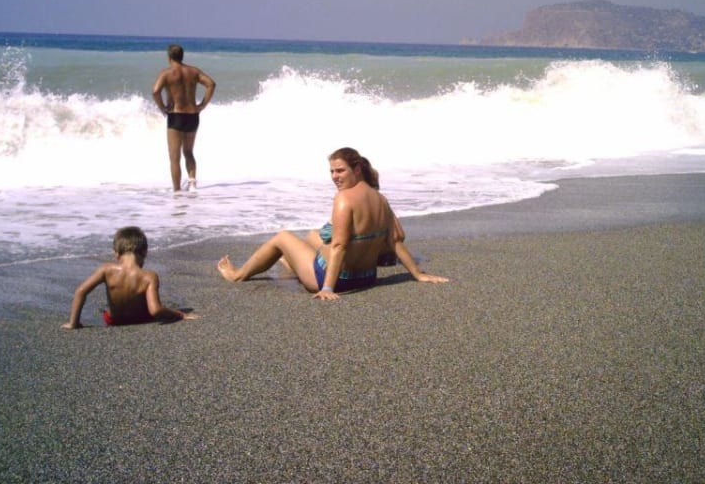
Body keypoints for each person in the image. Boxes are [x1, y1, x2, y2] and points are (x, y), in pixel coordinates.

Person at [217, 147, 448, 299]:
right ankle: (290, 264)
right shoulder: (380, 199)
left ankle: (237, 275)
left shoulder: (343, 200)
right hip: (367, 277)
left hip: (337, 281)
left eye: (340, 171)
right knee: (313, 237)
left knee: (283, 237)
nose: (335, 177)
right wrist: (417, 274)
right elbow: (395, 241)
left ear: (356, 169)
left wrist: (327, 288)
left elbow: (339, 246)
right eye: (332, 172)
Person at [62, 226, 198, 328]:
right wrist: (180, 315)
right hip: (142, 320)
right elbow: (156, 310)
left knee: (106, 310)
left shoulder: (106, 269)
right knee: (164, 305)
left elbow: (81, 291)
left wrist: (73, 323)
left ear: (116, 254)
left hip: (113, 321)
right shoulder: (149, 276)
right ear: (145, 252)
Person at [152, 44, 216, 192]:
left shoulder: (166, 73)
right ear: (182, 56)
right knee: (188, 152)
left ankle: (176, 191)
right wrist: (202, 105)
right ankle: (192, 183)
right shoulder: (193, 71)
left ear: (169, 57)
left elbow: (155, 91)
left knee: (174, 157)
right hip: (193, 116)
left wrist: (162, 108)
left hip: (176, 116)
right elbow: (211, 84)